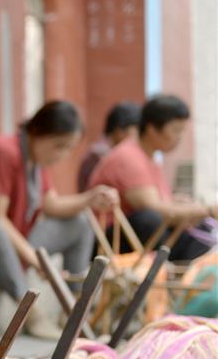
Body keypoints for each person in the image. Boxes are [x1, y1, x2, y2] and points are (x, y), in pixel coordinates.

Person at [0, 101, 119, 338]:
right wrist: (38, 262)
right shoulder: (3, 152)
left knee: (80, 222)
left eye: (68, 149)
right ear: (37, 132)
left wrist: (90, 198)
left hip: (14, 241)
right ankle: (31, 314)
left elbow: (52, 205)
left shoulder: (36, 161)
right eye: (59, 146)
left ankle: (73, 311)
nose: (62, 155)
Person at [89, 94, 217, 261]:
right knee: (150, 220)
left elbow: (162, 202)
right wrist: (207, 210)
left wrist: (184, 206)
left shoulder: (150, 158)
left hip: (141, 233)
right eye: (175, 130)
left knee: (200, 226)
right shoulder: (128, 157)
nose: (178, 138)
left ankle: (179, 279)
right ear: (152, 128)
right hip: (107, 241)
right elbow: (154, 209)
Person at [76, 101, 140, 191]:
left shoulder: (105, 150)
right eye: (137, 133)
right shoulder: (100, 154)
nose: (138, 139)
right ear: (120, 131)